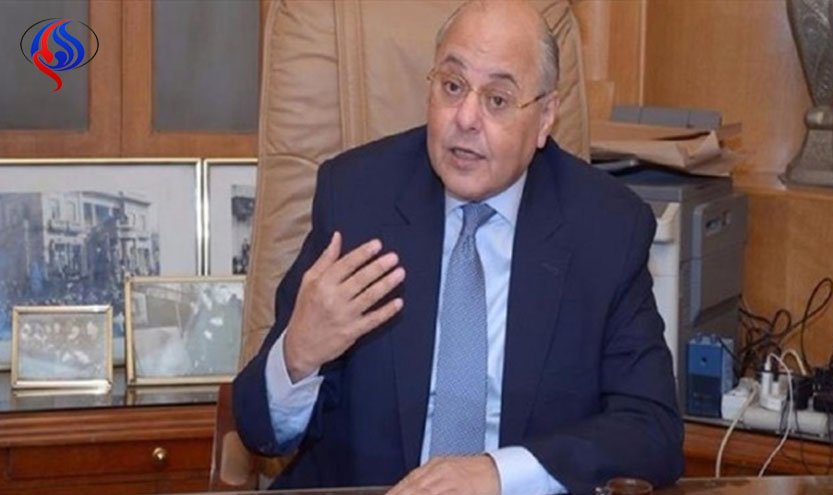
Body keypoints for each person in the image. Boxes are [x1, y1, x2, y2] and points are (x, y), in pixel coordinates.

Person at [233, 2, 683, 494]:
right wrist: (297, 357)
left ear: (545, 117)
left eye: (497, 99)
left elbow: (652, 432)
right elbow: (260, 432)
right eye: (452, 86)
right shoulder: (358, 198)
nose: (465, 117)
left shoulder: (606, 228)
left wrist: (500, 475)